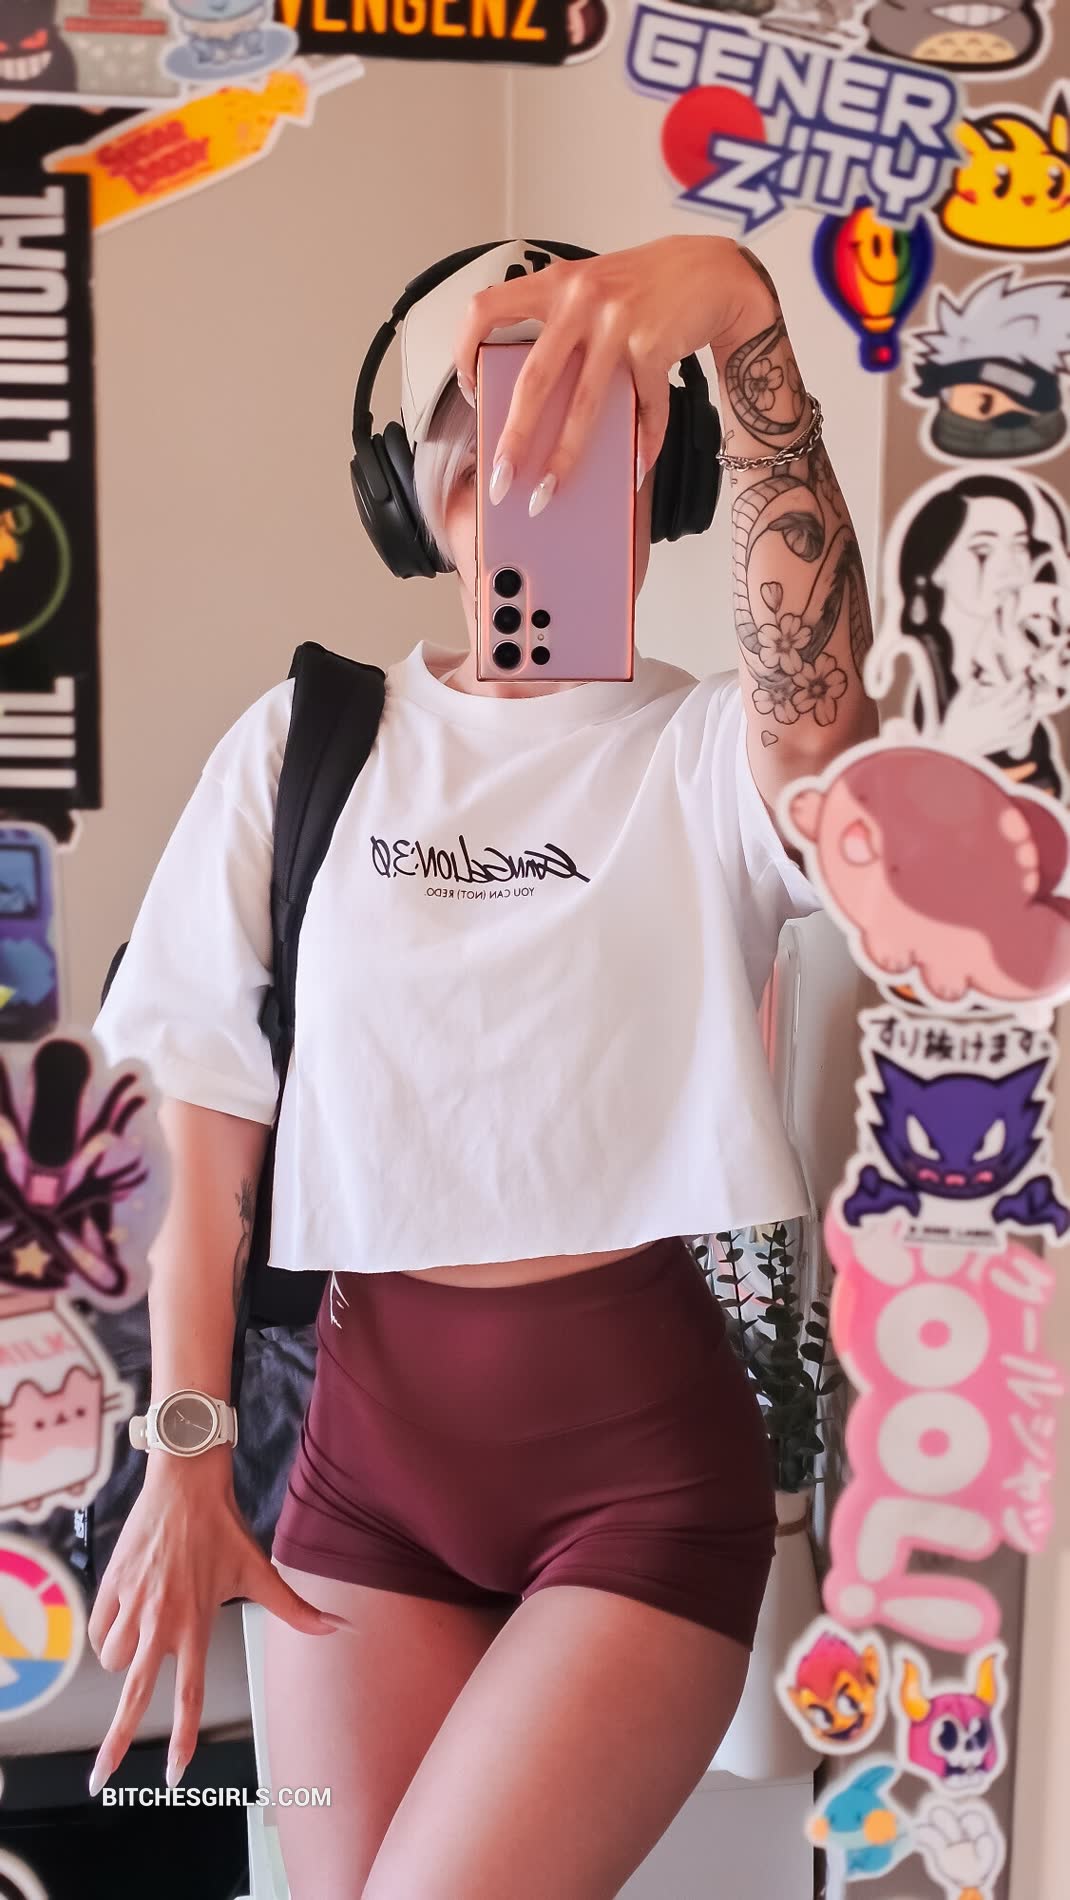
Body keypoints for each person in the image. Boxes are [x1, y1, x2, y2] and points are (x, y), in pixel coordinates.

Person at [86, 234, 877, 1900]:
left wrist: (741, 328)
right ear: (421, 497)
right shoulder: (304, 745)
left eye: (601, 450)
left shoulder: (704, 757)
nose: (534, 491)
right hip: (366, 1481)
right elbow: (202, 1152)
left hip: (638, 1485)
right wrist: (185, 1457)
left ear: (661, 488)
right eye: (493, 450)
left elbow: (818, 712)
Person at [895, 472, 1070, 798]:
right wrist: (957, 744)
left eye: (1020, 546)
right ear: (936, 566)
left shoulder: (1030, 662)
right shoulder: (906, 663)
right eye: (983, 550)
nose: (1011, 567)